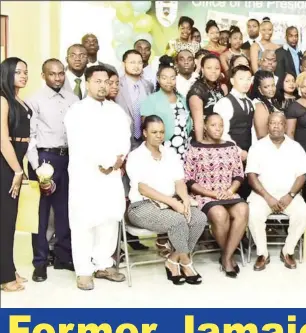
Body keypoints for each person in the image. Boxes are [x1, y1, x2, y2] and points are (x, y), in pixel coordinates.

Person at [64, 65, 130, 290]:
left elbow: (125, 137)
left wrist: (118, 159)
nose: (103, 86)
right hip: (87, 173)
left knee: (109, 218)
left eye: (107, 82)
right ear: (87, 83)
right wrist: (104, 162)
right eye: (98, 81)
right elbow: (81, 142)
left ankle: (103, 264)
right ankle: (83, 270)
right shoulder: (77, 111)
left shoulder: (116, 111)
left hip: (111, 174)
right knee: (84, 220)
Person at [126, 116, 207, 285]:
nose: (159, 135)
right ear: (145, 133)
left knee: (199, 218)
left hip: (171, 202)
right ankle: (186, 262)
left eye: (162, 132)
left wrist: (184, 200)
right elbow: (143, 188)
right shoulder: (135, 156)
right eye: (154, 132)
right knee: (178, 221)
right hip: (142, 206)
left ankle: (173, 259)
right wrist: (173, 203)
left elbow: (179, 181)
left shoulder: (169, 153)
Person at [25, 59, 80, 282]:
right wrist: (37, 167)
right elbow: (30, 137)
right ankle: (40, 262)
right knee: (41, 213)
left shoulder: (74, 99)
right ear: (43, 75)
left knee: (66, 209)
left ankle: (63, 257)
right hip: (44, 158)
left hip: (69, 158)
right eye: (52, 74)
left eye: (60, 74)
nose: (57, 78)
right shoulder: (34, 100)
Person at [184, 113, 248, 277]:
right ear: (205, 126)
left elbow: (239, 175)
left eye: (220, 125)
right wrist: (212, 193)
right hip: (205, 195)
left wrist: (230, 191)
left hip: (228, 192)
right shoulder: (195, 149)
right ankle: (229, 256)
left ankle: (226, 256)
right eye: (213, 125)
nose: (218, 128)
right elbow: (189, 180)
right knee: (219, 214)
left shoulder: (231, 146)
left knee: (243, 209)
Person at [246, 112, 306, 270]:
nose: (276, 126)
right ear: (267, 126)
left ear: (285, 126)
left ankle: (287, 251)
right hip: (262, 195)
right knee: (253, 213)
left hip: (289, 195)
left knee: (303, 213)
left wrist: (290, 195)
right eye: (272, 123)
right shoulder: (257, 147)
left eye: (280, 123)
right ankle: (263, 254)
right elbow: (251, 176)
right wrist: (268, 197)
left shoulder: (295, 147)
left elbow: (302, 175)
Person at [0, 57, 31, 292]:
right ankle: (5, 277)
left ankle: (8, 269)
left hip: (16, 162)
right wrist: (17, 170)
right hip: (6, 165)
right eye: (18, 72)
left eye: (26, 72)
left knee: (10, 222)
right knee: (5, 221)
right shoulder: (2, 100)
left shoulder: (17, 98)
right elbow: (3, 140)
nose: (23, 75)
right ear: (7, 73)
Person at [140, 56, 191, 160]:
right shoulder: (150, 100)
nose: (169, 81)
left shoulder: (182, 98)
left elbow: (188, 125)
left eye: (172, 78)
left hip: (183, 148)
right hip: (162, 148)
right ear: (158, 79)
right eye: (164, 78)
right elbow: (146, 129)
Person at [115, 50, 155, 149]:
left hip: (144, 141)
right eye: (132, 62)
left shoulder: (148, 85)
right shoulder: (116, 85)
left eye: (139, 62)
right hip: (122, 139)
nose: (136, 66)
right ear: (123, 64)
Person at [213, 65, 254, 153]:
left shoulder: (251, 102)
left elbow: (252, 131)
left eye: (248, 79)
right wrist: (238, 151)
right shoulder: (225, 103)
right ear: (232, 81)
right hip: (228, 152)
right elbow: (221, 133)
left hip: (248, 152)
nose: (246, 83)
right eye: (241, 79)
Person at [187, 54, 228, 142]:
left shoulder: (221, 88)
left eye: (217, 68)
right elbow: (198, 122)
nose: (213, 71)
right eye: (209, 68)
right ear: (202, 69)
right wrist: (201, 144)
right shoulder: (197, 91)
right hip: (203, 138)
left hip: (219, 135)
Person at [250, 70, 279, 140]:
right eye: (266, 87)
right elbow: (262, 136)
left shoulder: (272, 101)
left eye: (273, 85)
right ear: (259, 89)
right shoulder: (259, 105)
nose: (271, 89)